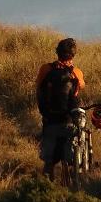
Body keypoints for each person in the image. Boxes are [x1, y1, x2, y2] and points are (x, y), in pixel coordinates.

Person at [36, 37, 87, 181]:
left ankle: (45, 190)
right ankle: (69, 188)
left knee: (49, 162)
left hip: (50, 120)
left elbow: (38, 88)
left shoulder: (45, 69)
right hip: (68, 120)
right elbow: (81, 86)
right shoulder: (76, 73)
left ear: (57, 52)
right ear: (73, 55)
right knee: (67, 158)